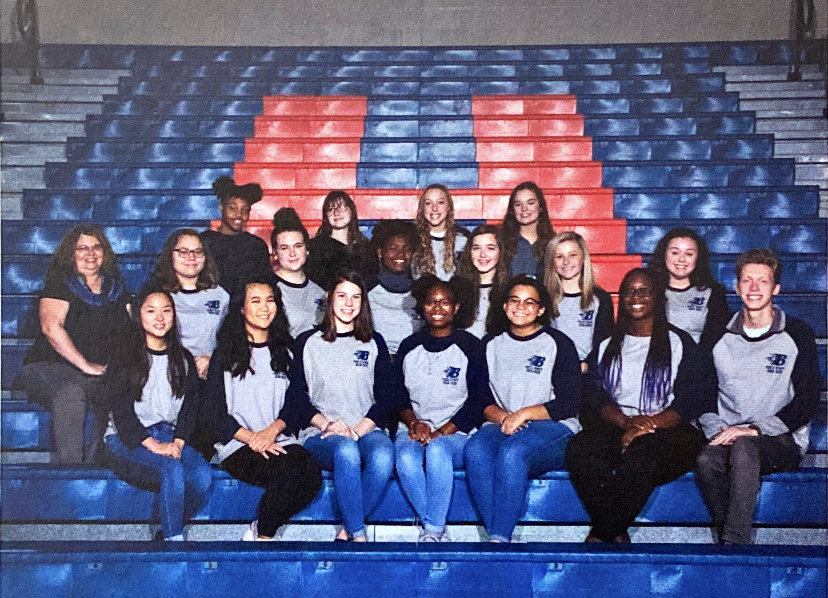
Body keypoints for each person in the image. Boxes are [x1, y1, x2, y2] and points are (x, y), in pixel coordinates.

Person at [565, 268, 715, 543]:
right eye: (629, 291)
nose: (636, 296)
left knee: (642, 455)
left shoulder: (680, 342)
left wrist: (650, 424)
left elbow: (692, 399)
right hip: (618, 424)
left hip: (669, 428)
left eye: (644, 290)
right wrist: (626, 423)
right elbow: (594, 397)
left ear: (657, 297)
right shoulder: (608, 344)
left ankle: (601, 534)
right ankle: (616, 532)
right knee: (580, 449)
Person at [696, 249, 820, 544]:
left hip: (781, 439)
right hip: (729, 434)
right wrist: (719, 431)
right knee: (704, 460)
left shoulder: (797, 333)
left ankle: (734, 543)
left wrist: (754, 429)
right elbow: (702, 394)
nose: (754, 288)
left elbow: (808, 399)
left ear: (775, 288)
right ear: (736, 287)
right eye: (747, 281)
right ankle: (731, 536)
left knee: (745, 448)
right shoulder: (717, 334)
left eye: (762, 281)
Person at [202, 277, 322, 541]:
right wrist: (254, 439)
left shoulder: (288, 351)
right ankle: (264, 538)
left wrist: (271, 432)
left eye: (270, 300)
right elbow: (214, 413)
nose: (265, 307)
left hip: (280, 439)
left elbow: (296, 403)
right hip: (239, 445)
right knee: (288, 474)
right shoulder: (224, 355)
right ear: (242, 309)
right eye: (255, 301)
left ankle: (260, 530)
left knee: (312, 475)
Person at [464, 275, 581, 543]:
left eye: (530, 302)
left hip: (553, 427)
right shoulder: (490, 344)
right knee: (476, 449)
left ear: (541, 310)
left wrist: (525, 413)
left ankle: (498, 538)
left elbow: (569, 401)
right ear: (505, 306)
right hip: (503, 423)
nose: (521, 307)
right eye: (514, 300)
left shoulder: (558, 343)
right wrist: (506, 417)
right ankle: (498, 534)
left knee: (513, 452)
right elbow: (480, 398)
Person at [291, 270, 396, 541]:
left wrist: (357, 431)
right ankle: (359, 536)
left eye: (355, 297)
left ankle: (347, 530)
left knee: (384, 455)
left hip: (364, 431)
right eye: (342, 296)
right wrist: (327, 424)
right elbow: (296, 399)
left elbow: (386, 398)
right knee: (346, 451)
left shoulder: (374, 342)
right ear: (329, 298)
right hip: (321, 434)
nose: (348, 304)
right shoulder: (307, 342)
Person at [103, 287, 213, 541]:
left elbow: (189, 408)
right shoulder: (125, 355)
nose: (160, 317)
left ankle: (166, 530)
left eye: (166, 310)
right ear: (138, 315)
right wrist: (153, 445)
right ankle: (175, 545)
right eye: (151, 311)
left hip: (170, 434)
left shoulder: (183, 358)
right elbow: (121, 412)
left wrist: (177, 441)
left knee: (203, 477)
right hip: (127, 439)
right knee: (171, 470)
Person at [19, 224, 131, 464]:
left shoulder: (117, 289)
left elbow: (136, 330)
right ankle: (70, 472)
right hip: (49, 367)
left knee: (117, 388)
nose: (90, 253)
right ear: (71, 253)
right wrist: (85, 365)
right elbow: (51, 327)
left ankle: (94, 466)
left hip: (97, 373)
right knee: (71, 392)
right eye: (82, 248)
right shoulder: (59, 284)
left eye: (96, 247)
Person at [395, 276, 490, 542]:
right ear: (422, 308)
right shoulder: (409, 346)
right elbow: (397, 395)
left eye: (445, 302)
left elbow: (478, 400)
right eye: (431, 302)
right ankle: (434, 524)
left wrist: (443, 431)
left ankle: (433, 532)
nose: (437, 308)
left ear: (456, 307)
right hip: (414, 428)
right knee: (404, 457)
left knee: (437, 450)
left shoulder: (470, 346)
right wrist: (415, 423)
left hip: (456, 433)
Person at [152, 229, 229, 380]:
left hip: (209, 373)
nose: (191, 257)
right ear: (170, 255)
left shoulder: (220, 295)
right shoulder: (157, 294)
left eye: (198, 252)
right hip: (169, 374)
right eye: (183, 252)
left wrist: (212, 360)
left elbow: (230, 338)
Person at [647, 227, 730, 352]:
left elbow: (714, 342)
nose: (681, 259)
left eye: (689, 254)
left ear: (698, 258)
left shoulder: (713, 293)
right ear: (664, 255)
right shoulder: (649, 290)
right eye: (675, 252)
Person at [544, 231, 614, 370]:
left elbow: (605, 341)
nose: (566, 262)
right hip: (554, 370)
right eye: (559, 256)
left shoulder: (601, 298)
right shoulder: (545, 298)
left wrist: (587, 365)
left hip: (589, 375)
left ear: (583, 258)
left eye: (573, 255)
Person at [200, 176, 271, 296]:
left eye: (245, 210)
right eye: (232, 208)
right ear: (221, 207)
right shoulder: (204, 242)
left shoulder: (256, 246)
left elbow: (264, 284)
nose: (239, 215)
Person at [367, 219, 422, 355]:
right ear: (380, 252)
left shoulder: (421, 290)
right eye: (393, 249)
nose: (400, 255)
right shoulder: (366, 288)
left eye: (406, 249)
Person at [270, 207, 326, 338]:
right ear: (275, 253)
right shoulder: (268, 289)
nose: (292, 253)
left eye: (298, 246)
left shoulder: (319, 290)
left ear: (307, 249)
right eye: (284, 248)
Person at [304, 190, 377, 290]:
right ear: (325, 217)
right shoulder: (315, 248)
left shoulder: (366, 248)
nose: (336, 213)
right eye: (330, 209)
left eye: (341, 207)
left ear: (351, 210)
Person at [457, 224, 509, 339]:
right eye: (476, 248)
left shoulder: (509, 290)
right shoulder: (458, 289)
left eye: (490, 248)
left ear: (500, 252)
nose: (482, 255)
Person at [411, 184, 469, 281]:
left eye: (440, 202)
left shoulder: (463, 239)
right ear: (422, 208)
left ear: (449, 207)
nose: (434, 208)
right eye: (428, 203)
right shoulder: (412, 237)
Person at [500, 181, 553, 278]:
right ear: (512, 210)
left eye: (530, 203)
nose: (524, 208)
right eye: (518, 204)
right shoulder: (501, 241)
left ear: (541, 207)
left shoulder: (554, 243)